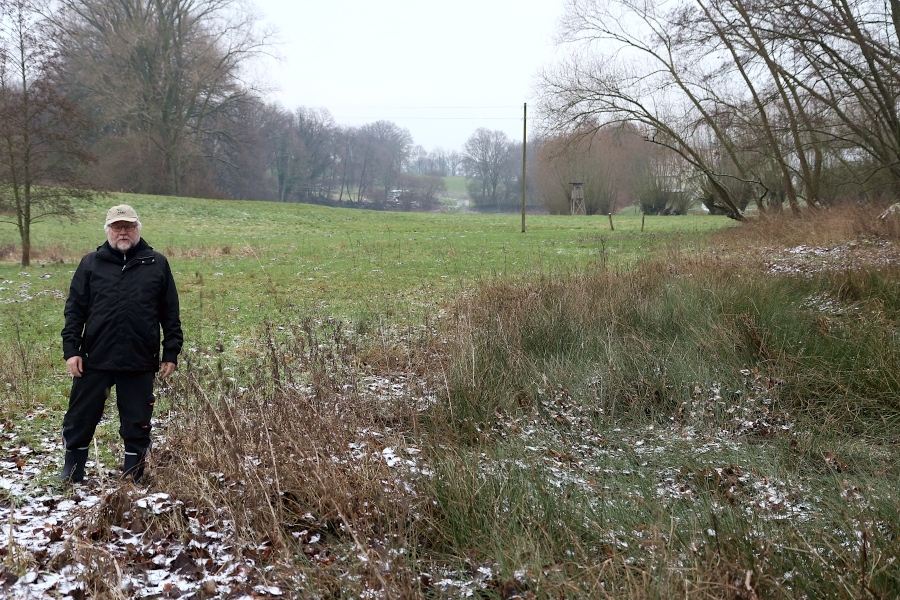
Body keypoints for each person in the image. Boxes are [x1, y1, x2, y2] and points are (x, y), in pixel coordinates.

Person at [59, 204, 183, 483]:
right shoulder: (91, 263)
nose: (123, 232)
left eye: (128, 226)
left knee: (137, 421)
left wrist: (171, 351)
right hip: (94, 358)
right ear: (108, 231)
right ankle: (73, 470)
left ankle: (134, 473)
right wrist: (72, 351)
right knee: (80, 417)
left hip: (139, 358)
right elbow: (75, 311)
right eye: (117, 227)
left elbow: (170, 312)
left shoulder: (157, 263)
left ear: (138, 229)